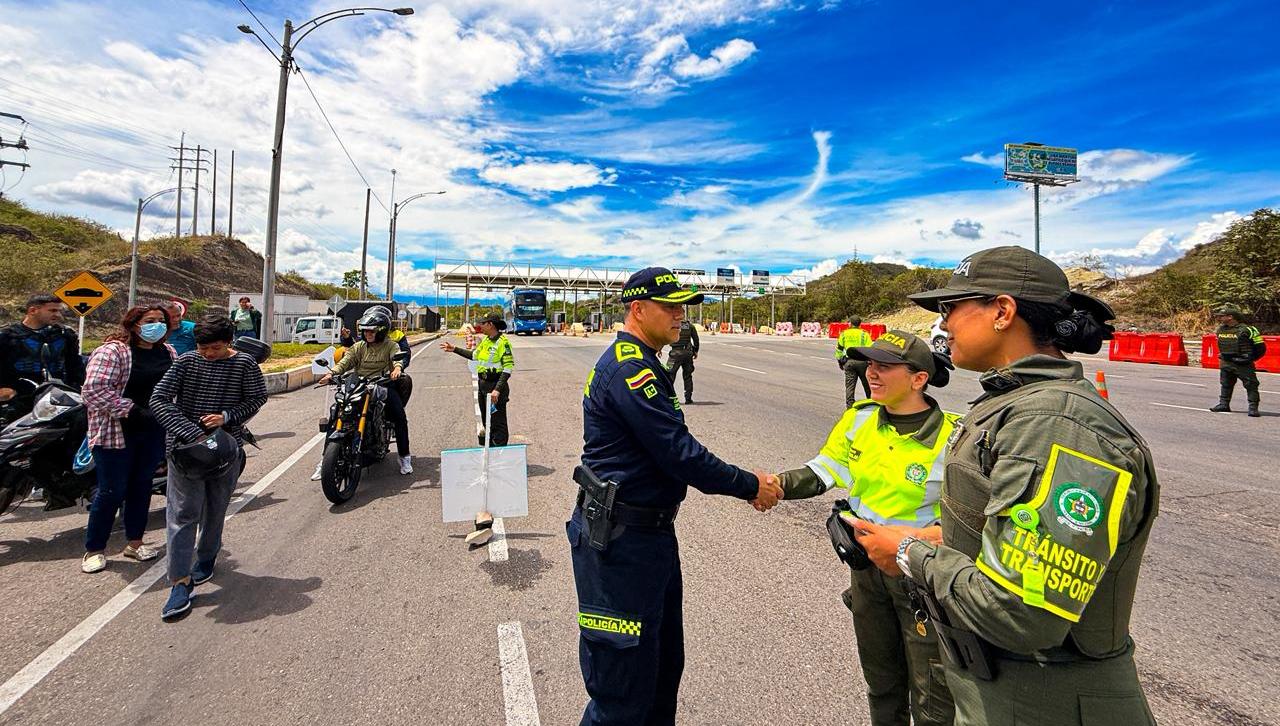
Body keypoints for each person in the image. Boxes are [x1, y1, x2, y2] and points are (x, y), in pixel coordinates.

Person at [853, 246, 1160, 726]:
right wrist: (947, 537)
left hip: (1046, 702)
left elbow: (1018, 611)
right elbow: (1002, 533)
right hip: (1005, 694)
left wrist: (911, 553)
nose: (943, 324)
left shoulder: (1054, 422)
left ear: (1002, 311)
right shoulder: (1018, 404)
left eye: (951, 308)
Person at [569, 266, 783, 725]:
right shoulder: (630, 370)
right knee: (621, 689)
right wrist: (751, 485)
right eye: (669, 307)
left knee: (661, 671)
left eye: (683, 307)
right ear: (637, 309)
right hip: (619, 545)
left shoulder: (645, 361)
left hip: (647, 540)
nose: (680, 315)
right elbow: (680, 455)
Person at [774, 329, 958, 726]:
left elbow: (970, 519)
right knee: (882, 683)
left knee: (933, 698)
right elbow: (822, 471)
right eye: (870, 364)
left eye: (884, 366)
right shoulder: (858, 421)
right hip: (867, 574)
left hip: (923, 579)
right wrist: (771, 486)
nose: (871, 373)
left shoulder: (955, 438)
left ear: (918, 379)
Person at [150, 316, 267, 620]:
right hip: (185, 452)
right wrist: (190, 432)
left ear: (229, 342)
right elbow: (159, 400)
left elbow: (257, 398)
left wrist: (226, 416)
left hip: (225, 452)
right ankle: (179, 582)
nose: (208, 354)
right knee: (182, 514)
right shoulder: (187, 362)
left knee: (215, 511)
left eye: (214, 348)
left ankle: (207, 558)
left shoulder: (244, 365)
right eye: (203, 348)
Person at [79, 304, 176, 573]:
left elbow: (174, 386)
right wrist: (132, 410)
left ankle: (135, 542)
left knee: (141, 487)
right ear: (134, 324)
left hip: (153, 430)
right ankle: (94, 549)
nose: (156, 325)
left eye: (161, 321)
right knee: (111, 491)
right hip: (115, 432)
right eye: (149, 320)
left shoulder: (168, 352)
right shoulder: (112, 352)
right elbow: (94, 391)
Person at [318, 308, 413, 475]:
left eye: (372, 330)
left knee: (399, 416)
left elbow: (397, 357)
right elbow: (346, 362)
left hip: (382, 384)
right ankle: (325, 459)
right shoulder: (358, 347)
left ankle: (404, 457)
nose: (368, 333)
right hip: (359, 384)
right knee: (336, 412)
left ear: (382, 331)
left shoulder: (391, 345)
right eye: (365, 330)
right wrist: (331, 373)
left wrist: (397, 369)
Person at [440, 313, 514, 447]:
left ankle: (500, 456)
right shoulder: (486, 340)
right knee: (487, 421)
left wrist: (497, 390)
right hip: (483, 385)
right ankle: (489, 453)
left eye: (483, 323)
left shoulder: (503, 343)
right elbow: (474, 356)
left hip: (495, 386)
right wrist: (454, 349)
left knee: (498, 423)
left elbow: (508, 368)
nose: (480, 326)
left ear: (490, 324)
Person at [0, 294, 86, 403]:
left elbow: (74, 365)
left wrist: (76, 388)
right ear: (33, 311)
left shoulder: (65, 335)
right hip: (18, 398)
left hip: (58, 396)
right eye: (53, 311)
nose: (58, 315)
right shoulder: (7, 336)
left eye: (60, 311)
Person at [1209, 303, 1265, 417]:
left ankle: (1253, 408)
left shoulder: (1248, 329)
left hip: (1243, 364)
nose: (1219, 318)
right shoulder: (1221, 330)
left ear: (1230, 317)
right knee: (1225, 384)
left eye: (1222, 316)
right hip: (1226, 362)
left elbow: (1261, 347)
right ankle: (1224, 404)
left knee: (1251, 385)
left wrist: (1250, 359)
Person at [836, 315, 874, 407]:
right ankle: (872, 404)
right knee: (867, 385)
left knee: (850, 386)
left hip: (849, 362)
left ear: (850, 323)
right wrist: (870, 363)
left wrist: (840, 362)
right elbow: (870, 349)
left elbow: (839, 350)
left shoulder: (844, 334)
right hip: (862, 363)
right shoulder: (864, 334)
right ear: (860, 324)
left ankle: (849, 406)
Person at [664, 318, 699, 404]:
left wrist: (659, 348)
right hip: (687, 354)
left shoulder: (673, 325)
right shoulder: (690, 326)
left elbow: (664, 337)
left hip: (675, 354)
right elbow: (696, 340)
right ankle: (688, 398)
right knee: (687, 376)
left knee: (669, 375)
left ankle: (669, 398)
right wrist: (695, 351)